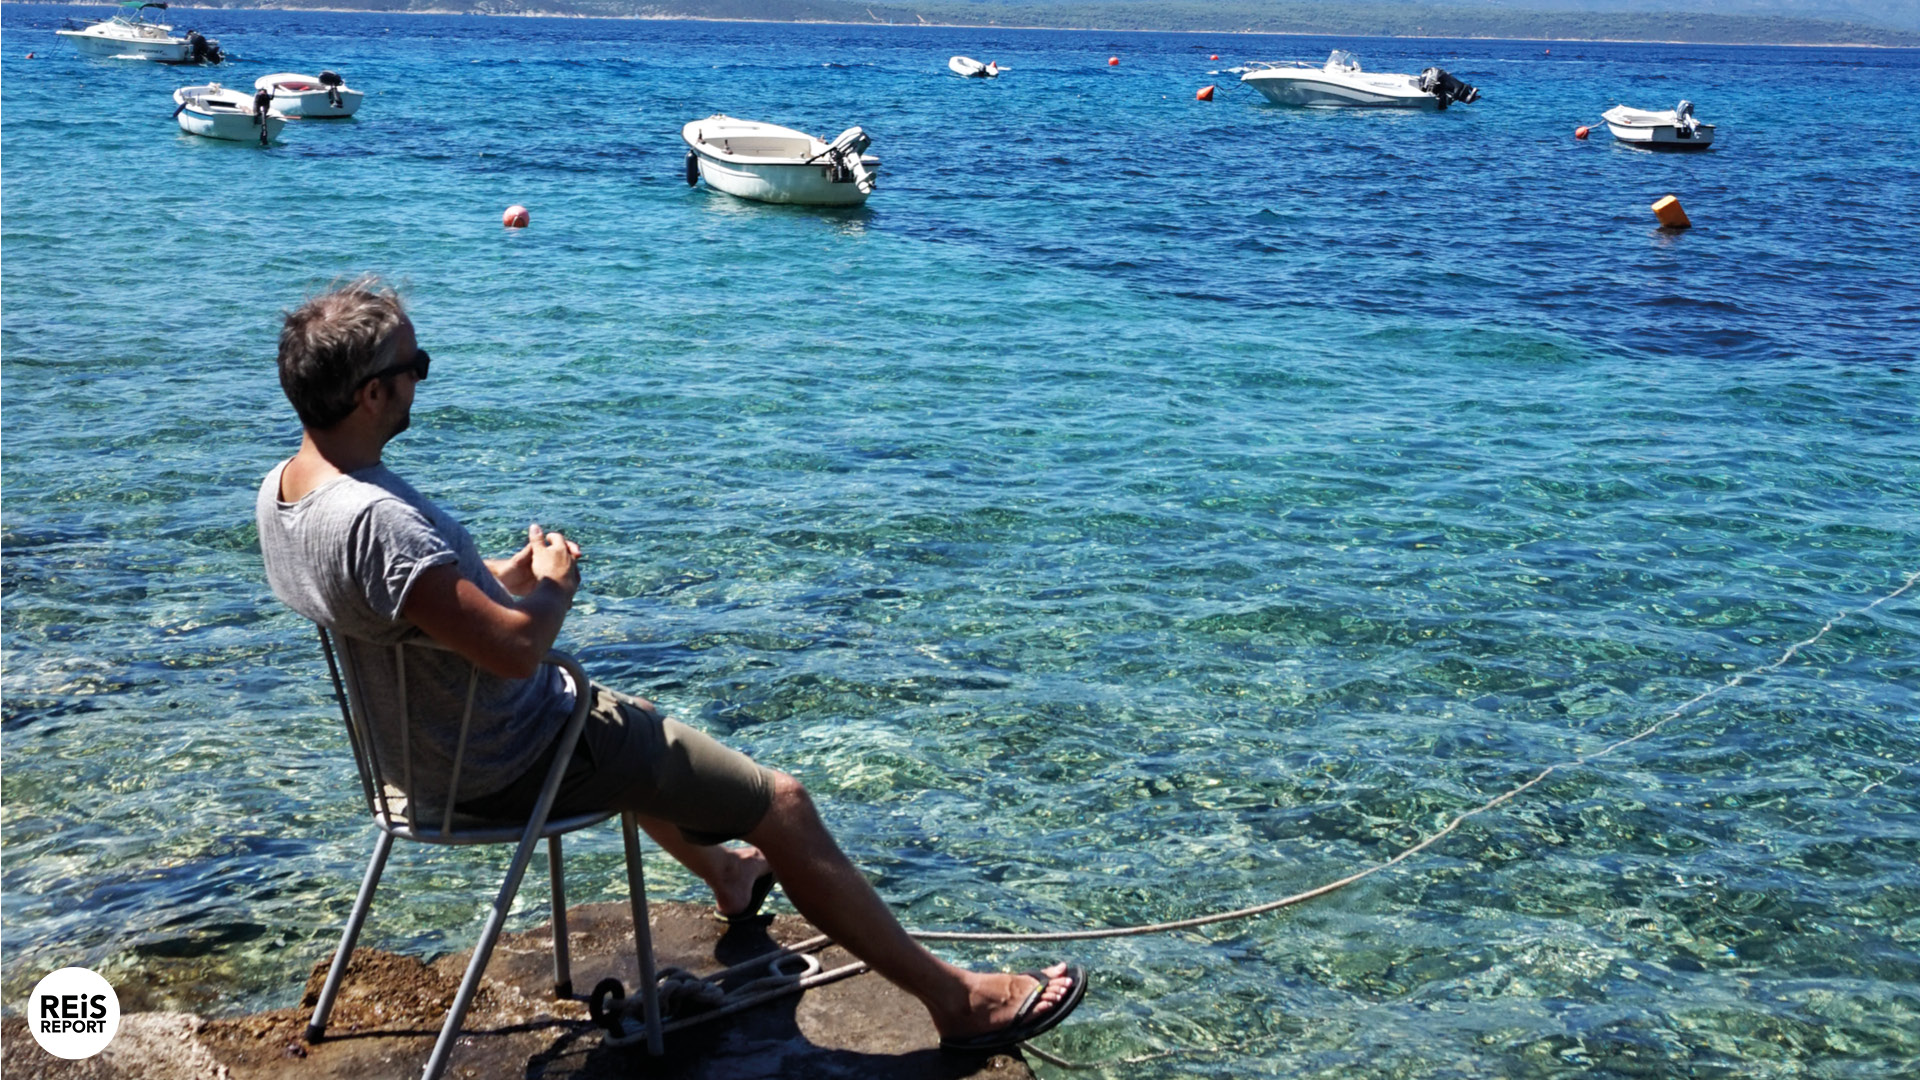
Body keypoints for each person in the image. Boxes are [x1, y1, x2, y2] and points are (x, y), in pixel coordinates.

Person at [255, 278, 1087, 1054]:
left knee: (637, 726)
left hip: (416, 765)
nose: (422, 380)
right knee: (783, 802)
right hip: (509, 763)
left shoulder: (289, 494)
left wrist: (497, 576)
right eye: (416, 367)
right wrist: (553, 587)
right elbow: (512, 652)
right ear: (373, 393)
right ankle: (959, 1003)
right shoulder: (379, 522)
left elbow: (413, 610)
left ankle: (727, 873)